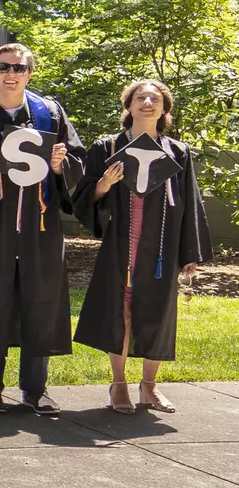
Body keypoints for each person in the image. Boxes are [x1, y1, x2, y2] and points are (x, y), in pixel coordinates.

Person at [0, 43, 86, 415]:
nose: (11, 74)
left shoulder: (51, 114)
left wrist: (62, 166)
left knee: (39, 302)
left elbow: (78, 162)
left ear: (30, 73)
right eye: (4, 67)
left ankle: (35, 388)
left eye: (20, 68)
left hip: (39, 223)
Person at [72, 80, 211, 413]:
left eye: (155, 98)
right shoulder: (106, 148)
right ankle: (118, 384)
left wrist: (189, 251)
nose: (147, 102)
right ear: (128, 106)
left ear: (164, 109)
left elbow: (190, 201)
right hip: (121, 245)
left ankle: (149, 386)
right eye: (139, 97)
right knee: (121, 312)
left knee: (156, 314)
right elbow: (82, 198)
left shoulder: (177, 152)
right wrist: (103, 185)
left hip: (161, 247)